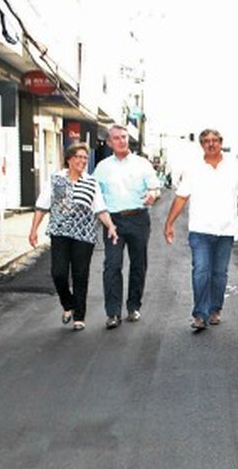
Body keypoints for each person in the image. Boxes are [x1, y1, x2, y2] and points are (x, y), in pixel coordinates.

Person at [163, 129, 238, 330]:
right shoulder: (193, 168)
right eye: (206, 141)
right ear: (201, 145)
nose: (211, 144)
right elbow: (181, 197)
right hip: (200, 229)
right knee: (201, 271)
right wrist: (169, 222)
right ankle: (200, 315)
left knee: (219, 273)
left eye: (214, 140)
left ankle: (215, 309)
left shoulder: (234, 166)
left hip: (226, 230)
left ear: (221, 142)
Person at [28, 143, 119, 331]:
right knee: (58, 273)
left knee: (80, 275)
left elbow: (100, 208)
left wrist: (110, 226)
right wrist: (34, 230)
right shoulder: (56, 180)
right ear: (69, 159)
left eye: (85, 158)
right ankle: (68, 303)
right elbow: (42, 206)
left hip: (84, 235)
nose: (82, 161)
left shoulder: (90, 182)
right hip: (60, 232)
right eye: (78, 157)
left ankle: (79, 316)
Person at [93, 124, 162, 329]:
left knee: (138, 264)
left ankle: (133, 306)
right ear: (109, 142)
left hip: (138, 218)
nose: (121, 141)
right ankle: (113, 312)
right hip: (113, 221)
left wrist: (152, 195)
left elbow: (155, 188)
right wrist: (102, 218)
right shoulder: (102, 167)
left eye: (124, 137)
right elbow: (95, 195)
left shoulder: (142, 164)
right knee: (112, 265)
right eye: (116, 138)